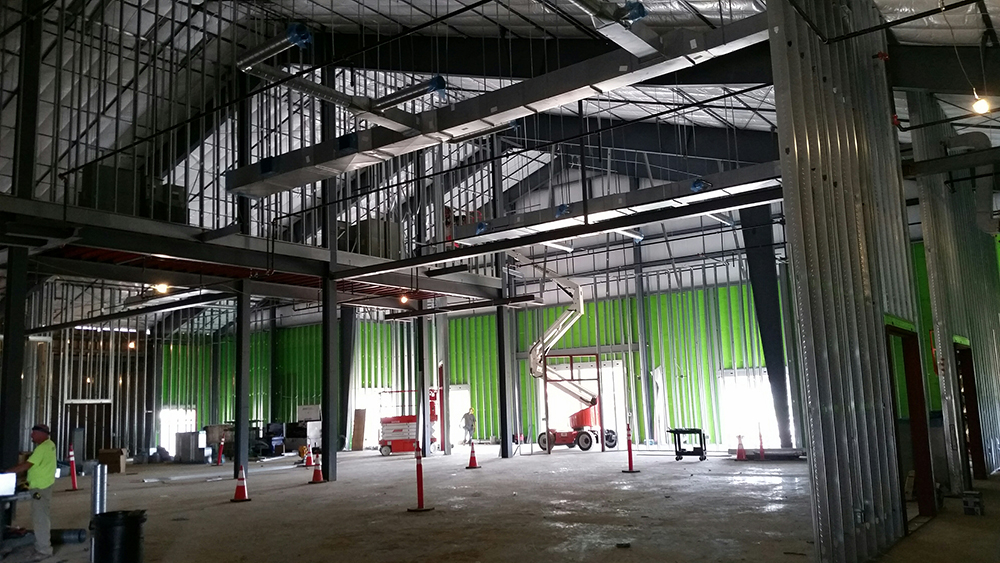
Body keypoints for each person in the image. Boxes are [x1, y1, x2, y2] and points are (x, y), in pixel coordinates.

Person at [5, 424, 56, 561]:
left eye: (34, 433)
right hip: (44, 486)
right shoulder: (50, 444)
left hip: (40, 489)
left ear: (42, 434)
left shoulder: (42, 448)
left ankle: (44, 550)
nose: (31, 436)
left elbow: (26, 465)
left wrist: (6, 472)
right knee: (41, 516)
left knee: (40, 518)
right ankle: (42, 546)